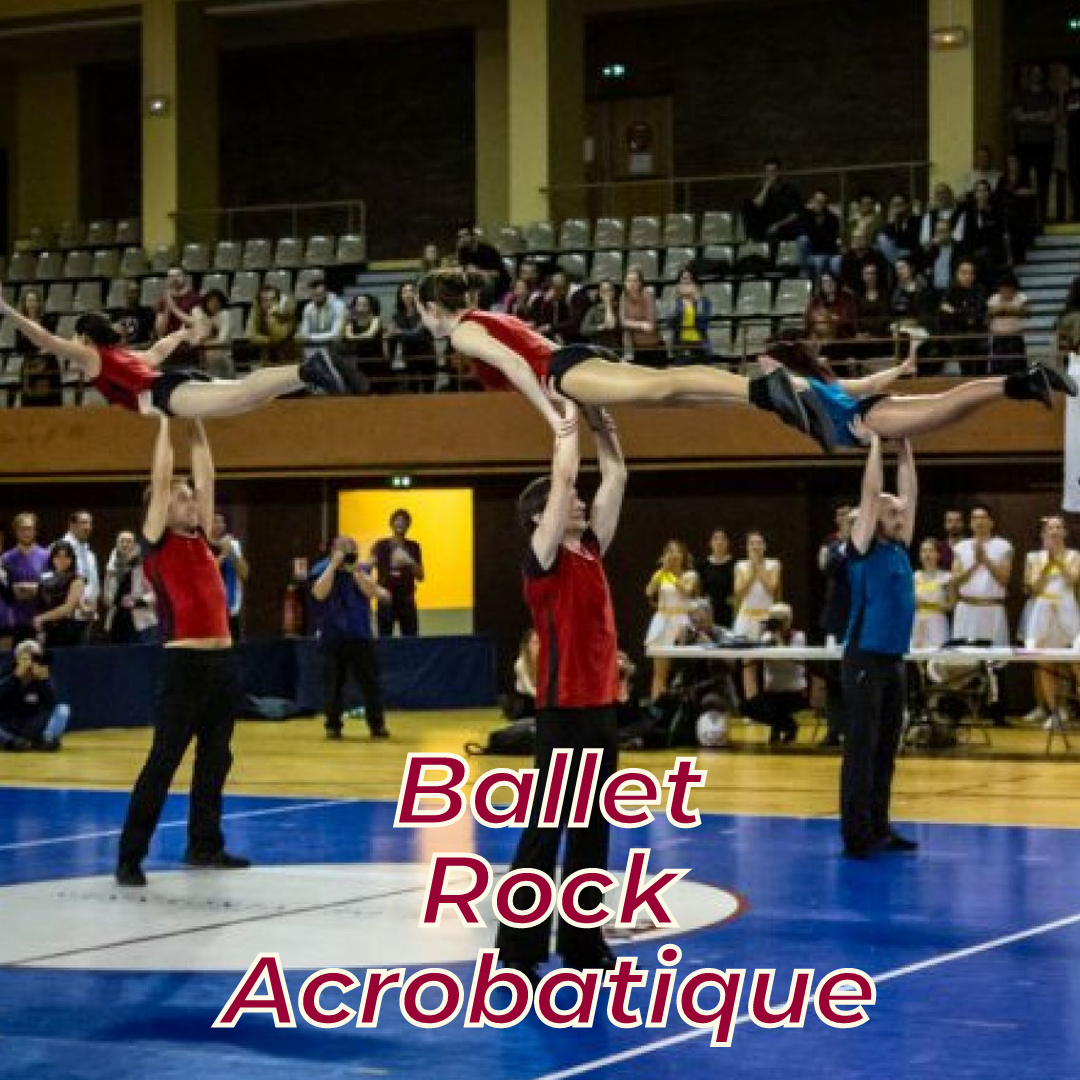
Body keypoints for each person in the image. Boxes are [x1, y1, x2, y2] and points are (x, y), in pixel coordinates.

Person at [496, 401, 627, 983]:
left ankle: (583, 942)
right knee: (544, 833)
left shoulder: (592, 550)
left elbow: (616, 475)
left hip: (601, 711)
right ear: (539, 517)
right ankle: (519, 950)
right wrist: (567, 420)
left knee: (593, 834)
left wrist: (606, 428)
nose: (577, 499)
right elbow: (567, 478)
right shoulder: (541, 559)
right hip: (560, 715)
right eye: (564, 499)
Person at [417, 268, 828, 450]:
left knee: (663, 385)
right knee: (668, 396)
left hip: (562, 372)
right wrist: (584, 403)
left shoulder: (463, 331)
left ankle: (762, 387)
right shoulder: (484, 317)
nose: (421, 321)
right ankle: (763, 397)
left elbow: (517, 365)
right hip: (571, 367)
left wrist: (553, 417)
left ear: (434, 307)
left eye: (420, 312)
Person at [116, 417, 249, 888]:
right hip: (184, 666)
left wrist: (195, 419)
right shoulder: (158, 543)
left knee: (216, 760)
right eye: (182, 496)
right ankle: (130, 856)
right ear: (160, 509)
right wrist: (165, 421)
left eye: (192, 496)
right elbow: (160, 477)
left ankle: (204, 845)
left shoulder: (204, 541)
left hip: (222, 664)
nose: (192, 500)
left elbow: (207, 473)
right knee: (164, 761)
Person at [0, 294, 352, 419]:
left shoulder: (92, 356)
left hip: (164, 394)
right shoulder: (118, 354)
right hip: (172, 383)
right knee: (250, 400)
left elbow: (44, 338)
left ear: (86, 337)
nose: (72, 343)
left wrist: (6, 310)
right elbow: (155, 352)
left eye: (77, 336)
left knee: (245, 393)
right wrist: (182, 332)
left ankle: (309, 370)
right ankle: (320, 370)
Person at [762, 330, 1076, 453]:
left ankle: (1029, 380)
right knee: (955, 410)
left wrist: (769, 359)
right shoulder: (816, 383)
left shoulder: (799, 386)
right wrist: (900, 369)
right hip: (871, 413)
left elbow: (773, 376)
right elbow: (867, 385)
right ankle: (1027, 382)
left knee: (950, 403)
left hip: (870, 418)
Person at [840, 426, 918, 858]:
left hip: (893, 660)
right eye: (893, 514)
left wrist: (904, 444)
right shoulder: (862, 547)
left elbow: (909, 491)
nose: (900, 518)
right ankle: (856, 834)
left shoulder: (900, 547)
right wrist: (873, 445)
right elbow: (873, 495)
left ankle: (880, 826)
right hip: (864, 657)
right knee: (862, 748)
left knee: (886, 747)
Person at [310, 536, 391, 740]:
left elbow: (372, 592)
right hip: (332, 635)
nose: (346, 552)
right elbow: (319, 593)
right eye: (342, 548)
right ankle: (333, 725)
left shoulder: (360, 570)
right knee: (333, 684)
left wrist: (355, 571)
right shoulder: (321, 569)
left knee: (370, 683)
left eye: (351, 548)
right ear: (333, 550)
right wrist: (333, 566)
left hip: (360, 634)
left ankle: (377, 724)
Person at [1022, 516, 1080, 732]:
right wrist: (1047, 564)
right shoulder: (1033, 557)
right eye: (1050, 528)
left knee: (1077, 662)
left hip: (1067, 607)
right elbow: (1032, 587)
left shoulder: (1074, 555)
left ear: (1065, 533)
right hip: (1042, 607)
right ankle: (1055, 712)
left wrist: (1058, 560)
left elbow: (1072, 579)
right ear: (1043, 533)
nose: (1054, 531)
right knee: (1045, 663)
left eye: (1058, 528)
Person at [742, 602, 808, 745]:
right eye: (773, 618)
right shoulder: (766, 637)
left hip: (794, 692)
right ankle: (787, 726)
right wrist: (758, 637)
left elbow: (795, 661)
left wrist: (779, 642)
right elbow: (753, 658)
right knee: (748, 707)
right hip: (772, 691)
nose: (776, 623)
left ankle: (786, 727)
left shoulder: (799, 637)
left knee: (778, 708)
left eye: (780, 619)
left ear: (789, 620)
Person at [644, 540, 699, 699]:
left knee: (687, 669)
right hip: (662, 621)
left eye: (677, 552)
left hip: (682, 623)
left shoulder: (690, 575)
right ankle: (657, 708)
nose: (674, 555)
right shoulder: (660, 574)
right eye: (670, 552)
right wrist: (663, 571)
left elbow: (687, 590)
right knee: (660, 672)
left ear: (683, 555)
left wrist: (672, 575)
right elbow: (649, 591)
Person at [0, 640, 69, 752]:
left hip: (32, 724)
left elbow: (51, 704)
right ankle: (12, 742)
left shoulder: (42, 675)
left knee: (63, 709)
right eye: (24, 659)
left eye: (32, 659)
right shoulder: (6, 672)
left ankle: (46, 740)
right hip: (8, 723)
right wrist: (15, 678)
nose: (28, 663)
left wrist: (44, 682)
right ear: (17, 659)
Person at [371, 510, 424, 637]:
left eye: (404, 521)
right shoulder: (380, 545)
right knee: (384, 639)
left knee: (411, 639)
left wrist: (409, 561)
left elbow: (421, 576)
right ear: (391, 523)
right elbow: (369, 564)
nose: (400, 523)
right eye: (397, 520)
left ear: (408, 525)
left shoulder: (414, 546)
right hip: (386, 599)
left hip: (407, 599)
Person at [103, 530, 157, 645]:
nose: (125, 544)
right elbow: (107, 598)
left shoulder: (144, 566)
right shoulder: (112, 568)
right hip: (117, 621)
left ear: (134, 545)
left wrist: (137, 601)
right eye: (122, 541)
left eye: (128, 541)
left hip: (141, 621)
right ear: (117, 544)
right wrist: (114, 599)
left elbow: (155, 593)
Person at [3, 513, 49, 645]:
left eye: (29, 528)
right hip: (15, 621)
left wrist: (25, 589)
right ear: (16, 531)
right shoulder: (6, 558)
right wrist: (30, 589)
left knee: (40, 662)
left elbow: (49, 587)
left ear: (35, 531)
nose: (26, 532)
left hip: (39, 619)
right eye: (22, 529)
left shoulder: (46, 556)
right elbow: (7, 591)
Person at [34, 540, 85, 649]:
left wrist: (41, 618)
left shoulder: (77, 579)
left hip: (65, 630)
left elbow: (68, 608)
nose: (62, 560)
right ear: (52, 558)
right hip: (45, 628)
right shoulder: (45, 576)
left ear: (72, 558)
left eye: (66, 557)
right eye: (58, 557)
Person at [732, 531, 781, 641]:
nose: (755, 547)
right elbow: (738, 592)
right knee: (746, 655)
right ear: (747, 547)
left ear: (764, 546)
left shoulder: (774, 564)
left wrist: (758, 567)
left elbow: (771, 589)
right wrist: (752, 573)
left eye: (759, 543)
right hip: (746, 617)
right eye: (752, 543)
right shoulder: (740, 565)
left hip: (766, 615)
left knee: (767, 653)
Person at [63, 510, 101, 643]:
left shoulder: (89, 553)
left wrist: (93, 606)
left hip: (87, 615)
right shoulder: (61, 549)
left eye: (90, 523)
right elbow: (62, 582)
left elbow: (93, 584)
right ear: (71, 526)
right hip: (67, 616)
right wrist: (79, 605)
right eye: (83, 523)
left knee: (82, 657)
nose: (88, 527)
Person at [210, 513, 248, 642]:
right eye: (215, 521)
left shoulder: (233, 545)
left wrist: (232, 553)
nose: (219, 525)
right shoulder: (202, 545)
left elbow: (244, 574)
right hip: (210, 612)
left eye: (222, 522)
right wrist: (224, 554)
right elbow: (207, 572)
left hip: (230, 610)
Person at [911, 537, 953, 649]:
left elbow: (951, 605)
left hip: (937, 622)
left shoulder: (946, 577)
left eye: (931, 551)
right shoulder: (914, 577)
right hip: (918, 620)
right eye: (924, 551)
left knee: (937, 656)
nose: (927, 554)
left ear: (938, 554)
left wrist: (927, 603)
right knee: (917, 655)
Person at [698, 528, 735, 629]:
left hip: (730, 611)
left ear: (728, 543)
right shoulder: (703, 565)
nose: (719, 542)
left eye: (723, 539)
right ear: (710, 543)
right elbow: (699, 590)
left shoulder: (735, 564)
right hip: (709, 611)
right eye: (715, 539)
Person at [504, 627, 539, 720]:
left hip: (539, 700)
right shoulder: (520, 663)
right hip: (524, 702)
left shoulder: (546, 662)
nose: (539, 646)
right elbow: (529, 689)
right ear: (527, 645)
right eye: (535, 643)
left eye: (540, 642)